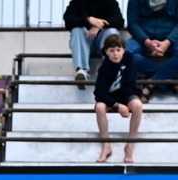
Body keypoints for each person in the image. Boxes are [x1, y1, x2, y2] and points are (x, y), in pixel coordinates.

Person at [94, 34, 143, 163]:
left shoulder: (129, 59)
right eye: (111, 50)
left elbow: (130, 83)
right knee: (99, 107)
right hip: (111, 98)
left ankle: (130, 145)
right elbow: (98, 92)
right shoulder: (104, 67)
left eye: (118, 50)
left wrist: (124, 103)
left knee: (137, 105)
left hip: (127, 95)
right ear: (106, 52)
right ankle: (106, 144)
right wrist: (116, 105)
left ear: (123, 50)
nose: (115, 54)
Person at [125, 0, 178, 102]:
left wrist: (167, 42)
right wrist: (147, 42)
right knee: (125, 54)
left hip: (171, 39)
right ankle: (169, 78)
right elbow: (132, 23)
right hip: (142, 38)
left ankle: (152, 82)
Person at [64, 0, 124, 89]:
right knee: (77, 30)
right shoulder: (77, 2)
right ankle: (81, 70)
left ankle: (110, 70)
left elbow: (119, 21)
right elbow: (68, 20)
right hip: (85, 43)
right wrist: (88, 19)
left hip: (103, 43)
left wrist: (99, 25)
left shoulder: (110, 2)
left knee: (111, 31)